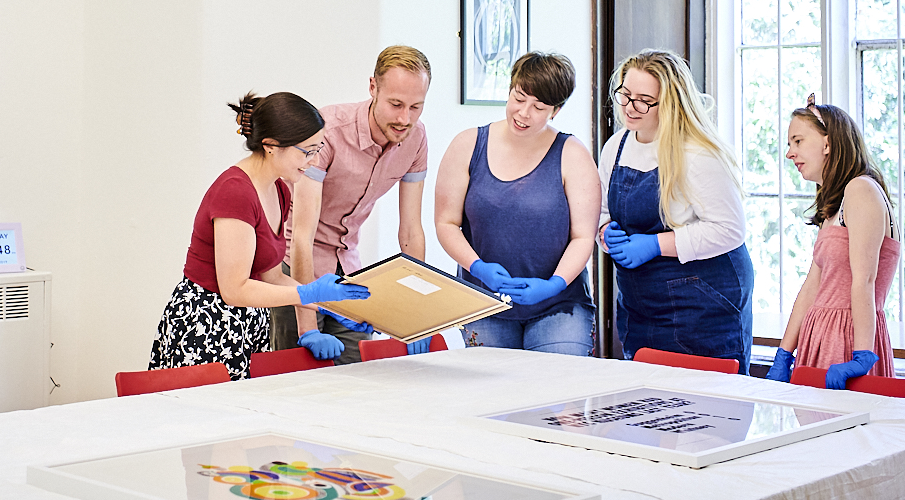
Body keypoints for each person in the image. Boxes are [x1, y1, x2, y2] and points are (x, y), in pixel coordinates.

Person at [149, 92, 370, 380]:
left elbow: (272, 276)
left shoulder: (279, 190)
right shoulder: (235, 191)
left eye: (318, 149)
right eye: (307, 151)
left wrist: (330, 306)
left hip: (247, 326)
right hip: (207, 326)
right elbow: (234, 289)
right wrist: (307, 293)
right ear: (271, 146)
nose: (313, 160)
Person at [270, 46, 432, 363]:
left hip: (349, 270)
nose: (405, 118)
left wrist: (416, 319)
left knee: (358, 380)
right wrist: (306, 327)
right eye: (396, 104)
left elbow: (411, 232)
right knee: (298, 387)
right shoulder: (327, 132)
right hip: (296, 267)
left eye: (416, 107)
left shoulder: (416, 139)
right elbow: (301, 235)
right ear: (373, 87)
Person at [598, 49, 754, 373]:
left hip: (704, 301)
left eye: (644, 100)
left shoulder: (696, 153)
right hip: (642, 302)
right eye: (625, 95)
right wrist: (604, 231)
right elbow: (601, 209)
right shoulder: (616, 147)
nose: (629, 107)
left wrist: (655, 245)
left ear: (669, 103)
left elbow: (729, 229)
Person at [435, 52, 598, 353]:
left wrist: (555, 284)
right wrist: (478, 267)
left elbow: (583, 236)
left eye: (538, 107)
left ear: (556, 110)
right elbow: (446, 223)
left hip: (560, 306)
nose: (523, 113)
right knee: (497, 395)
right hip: (483, 301)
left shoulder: (572, 154)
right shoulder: (467, 145)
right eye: (519, 98)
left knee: (557, 390)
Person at [765, 98, 901, 389]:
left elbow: (864, 279)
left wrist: (862, 355)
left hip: (847, 341)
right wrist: (784, 354)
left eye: (798, 141)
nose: (790, 154)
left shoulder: (860, 189)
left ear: (827, 143)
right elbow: (812, 287)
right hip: (821, 338)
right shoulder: (835, 204)